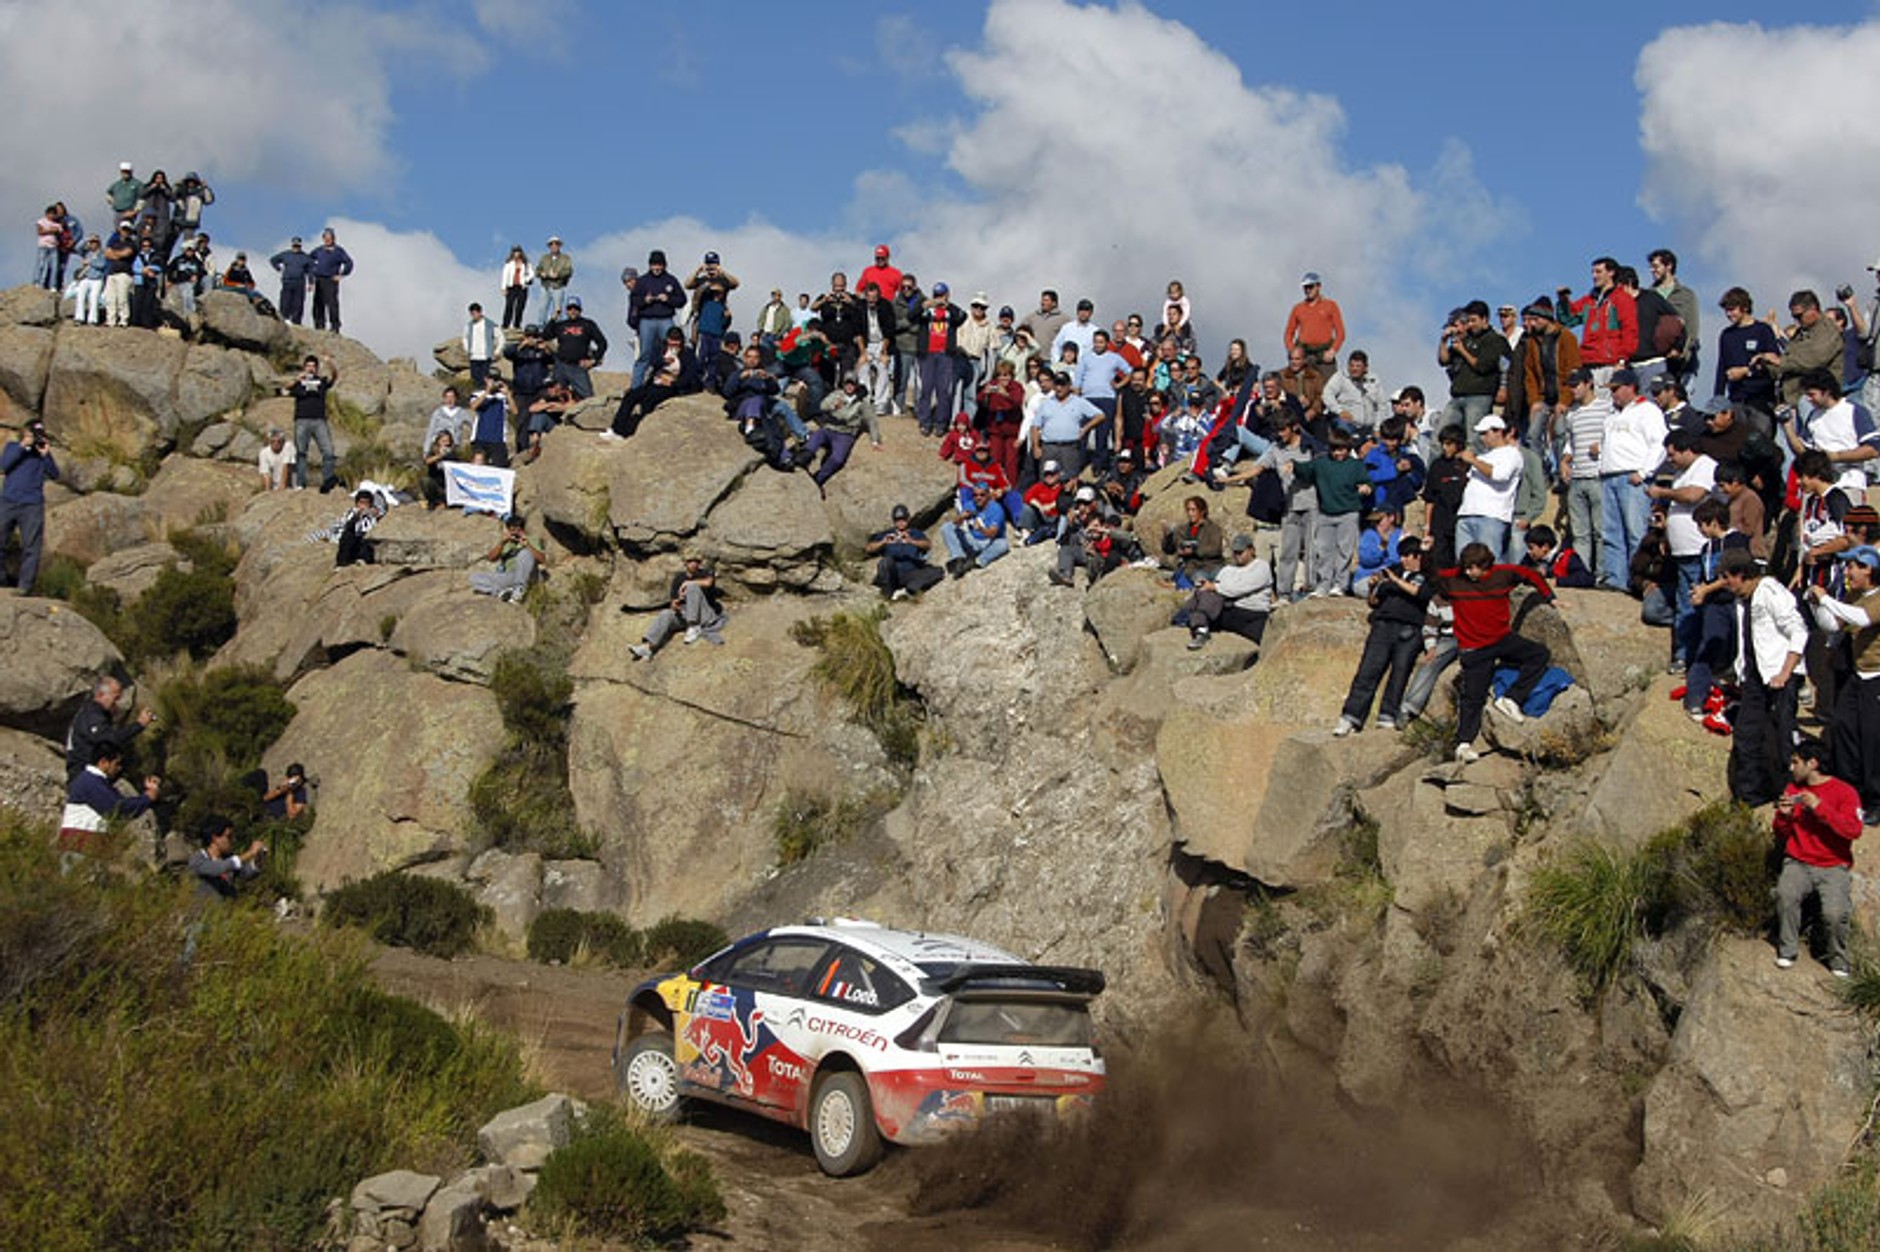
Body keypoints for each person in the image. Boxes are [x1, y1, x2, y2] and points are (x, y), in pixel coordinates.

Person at [1428, 542, 1555, 764]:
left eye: (1473, 568)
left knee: (1539, 654)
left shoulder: (1502, 575)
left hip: (1501, 639)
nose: (1469, 572)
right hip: (1473, 648)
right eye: (1466, 567)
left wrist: (1549, 596)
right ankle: (1463, 744)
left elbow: (1529, 574)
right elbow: (1431, 573)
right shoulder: (1455, 578)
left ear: (1486, 565)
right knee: (1472, 698)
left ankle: (1511, 698)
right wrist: (1427, 551)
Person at [1721, 549, 1808, 806]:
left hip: (1780, 676)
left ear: (1741, 575)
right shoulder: (1743, 601)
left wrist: (1785, 672)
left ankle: (1790, 792)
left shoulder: (1771, 592)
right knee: (1747, 735)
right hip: (1755, 678)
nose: (1726, 583)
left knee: (1784, 736)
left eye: (1727, 577)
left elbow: (1798, 630)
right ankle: (1751, 796)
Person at [1771, 737, 1862, 977]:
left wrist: (1821, 808)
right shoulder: (1792, 790)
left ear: (1812, 763)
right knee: (1785, 894)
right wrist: (1784, 816)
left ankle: (1838, 960)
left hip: (1833, 865)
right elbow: (1781, 832)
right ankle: (1787, 949)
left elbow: (1853, 830)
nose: (1792, 768)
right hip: (1798, 860)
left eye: (1796, 762)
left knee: (1835, 913)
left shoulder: (1845, 792)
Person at [1807, 546, 1880, 822]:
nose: (1848, 572)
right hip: (1858, 674)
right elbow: (1835, 625)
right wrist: (1816, 604)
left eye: (1853, 567)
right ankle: (1851, 791)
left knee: (1872, 737)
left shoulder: (1876, 599)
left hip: (1877, 676)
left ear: (1868, 570)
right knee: (1843, 726)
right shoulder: (1854, 596)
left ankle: (1875, 800)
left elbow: (1861, 619)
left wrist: (1826, 599)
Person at [1334, 536, 1431, 734]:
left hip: (1410, 629)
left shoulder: (1429, 575)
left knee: (1399, 673)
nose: (1404, 560)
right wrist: (1373, 586)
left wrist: (1395, 581)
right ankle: (1351, 716)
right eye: (1402, 555)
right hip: (1383, 625)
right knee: (1368, 671)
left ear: (1418, 556)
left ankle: (1387, 715)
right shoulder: (1393, 570)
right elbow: (1374, 602)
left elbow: (1420, 594)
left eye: (1408, 556)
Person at [1598, 369, 1667, 589]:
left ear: (1630, 387)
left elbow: (1659, 443)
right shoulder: (1611, 415)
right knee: (1611, 532)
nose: (1613, 395)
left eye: (1616, 389)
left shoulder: (1647, 411)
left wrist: (1645, 472)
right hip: (1609, 476)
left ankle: (1637, 579)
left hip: (1632, 477)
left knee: (1636, 531)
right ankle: (1616, 578)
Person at [58, 743, 160, 857]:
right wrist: (146, 798)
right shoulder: (91, 783)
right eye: (116, 764)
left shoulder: (96, 782)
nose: (119, 768)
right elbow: (116, 809)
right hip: (80, 848)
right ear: (103, 762)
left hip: (87, 847)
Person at [1181, 532, 1274, 650]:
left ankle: (1191, 620)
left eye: (1240, 552)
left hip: (1253, 614)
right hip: (1231, 611)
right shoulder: (1228, 569)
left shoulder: (1261, 567)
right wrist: (1208, 586)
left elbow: (1240, 588)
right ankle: (1200, 629)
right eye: (1235, 552)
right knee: (1203, 593)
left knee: (1211, 592)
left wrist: (1215, 587)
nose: (1237, 556)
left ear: (1251, 550)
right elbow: (1220, 586)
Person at [607, 326, 698, 439]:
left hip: (671, 386)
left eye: (677, 341)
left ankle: (636, 431)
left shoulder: (687, 354)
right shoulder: (661, 348)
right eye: (671, 341)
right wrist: (663, 361)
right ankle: (617, 429)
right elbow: (652, 361)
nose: (674, 345)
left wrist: (674, 383)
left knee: (649, 400)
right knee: (631, 396)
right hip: (655, 382)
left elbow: (690, 374)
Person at [1, 419, 58, 595]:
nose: (36, 438)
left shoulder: (41, 454)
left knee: (31, 547)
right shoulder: (13, 447)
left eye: (38, 435)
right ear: (25, 433)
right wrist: (23, 445)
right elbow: (3, 466)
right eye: (33, 434)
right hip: (8, 501)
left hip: (32, 505)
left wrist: (46, 454)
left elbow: (54, 474)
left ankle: (24, 587)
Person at [629, 554, 726, 657]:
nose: (693, 564)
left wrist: (688, 584)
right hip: (685, 614)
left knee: (692, 587)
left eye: (696, 561)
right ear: (685, 563)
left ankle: (694, 626)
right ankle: (647, 648)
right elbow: (673, 602)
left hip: (705, 614)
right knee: (665, 614)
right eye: (690, 561)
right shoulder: (678, 578)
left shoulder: (704, 574)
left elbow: (708, 582)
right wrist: (676, 604)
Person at [1454, 415, 1523, 557]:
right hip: (1467, 513)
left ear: (1498, 432)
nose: (1482, 438)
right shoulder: (1483, 456)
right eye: (1481, 434)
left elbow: (1499, 475)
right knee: (1463, 561)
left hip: (1491, 515)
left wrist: (1473, 460)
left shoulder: (1512, 454)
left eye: (1485, 433)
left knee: (1489, 561)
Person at [1437, 301, 1509, 433]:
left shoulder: (1494, 339)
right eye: (1468, 321)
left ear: (1484, 319)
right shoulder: (1466, 339)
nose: (1470, 325)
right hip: (1457, 395)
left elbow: (1483, 366)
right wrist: (1443, 341)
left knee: (1474, 437)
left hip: (1479, 396)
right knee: (1442, 434)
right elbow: (1444, 361)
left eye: (1473, 320)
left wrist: (1463, 351)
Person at [64, 676, 154, 781]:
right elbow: (109, 738)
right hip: (83, 776)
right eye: (115, 698)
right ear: (100, 695)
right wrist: (139, 725)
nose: (116, 704)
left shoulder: (96, 715)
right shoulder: (91, 715)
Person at [279, 354, 340, 492]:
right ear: (304, 367)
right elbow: (285, 388)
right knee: (301, 453)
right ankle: (301, 483)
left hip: (319, 420)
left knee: (328, 452)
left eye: (313, 366)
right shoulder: (299, 383)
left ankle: (328, 481)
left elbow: (334, 377)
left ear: (317, 369)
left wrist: (330, 363)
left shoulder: (321, 381)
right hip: (302, 420)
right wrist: (297, 379)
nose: (311, 369)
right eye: (308, 366)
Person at [628, 250, 687, 389]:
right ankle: (635, 387)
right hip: (646, 321)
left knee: (674, 351)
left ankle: (676, 383)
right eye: (654, 265)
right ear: (649, 265)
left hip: (666, 320)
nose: (657, 268)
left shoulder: (671, 280)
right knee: (645, 355)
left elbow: (682, 300)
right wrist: (645, 300)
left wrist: (669, 299)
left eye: (659, 265)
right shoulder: (642, 281)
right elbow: (633, 299)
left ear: (665, 265)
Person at [867, 504, 943, 600]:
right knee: (885, 562)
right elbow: (869, 548)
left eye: (903, 519)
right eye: (898, 520)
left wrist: (911, 541)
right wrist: (883, 542)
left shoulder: (915, 533)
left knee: (937, 571)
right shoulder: (887, 534)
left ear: (908, 519)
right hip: (893, 573)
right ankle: (888, 592)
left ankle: (909, 590)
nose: (901, 523)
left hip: (911, 572)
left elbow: (928, 545)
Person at [189, 814, 266, 903]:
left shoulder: (227, 858)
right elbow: (219, 868)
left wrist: (259, 858)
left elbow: (245, 873)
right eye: (228, 836)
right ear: (215, 838)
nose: (232, 840)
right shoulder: (197, 860)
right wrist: (250, 853)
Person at [941, 482, 1011, 577]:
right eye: (975, 495)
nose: (978, 498)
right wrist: (961, 517)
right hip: (972, 540)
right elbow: (956, 524)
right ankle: (959, 559)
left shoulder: (996, 509)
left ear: (988, 495)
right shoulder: (970, 505)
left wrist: (981, 529)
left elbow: (992, 533)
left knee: (1003, 545)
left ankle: (977, 561)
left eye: (982, 495)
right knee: (947, 527)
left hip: (989, 542)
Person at [470, 513, 543, 602]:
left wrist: (527, 545)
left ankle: (519, 590)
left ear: (522, 529)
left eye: (518, 530)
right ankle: (501, 593)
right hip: (511, 576)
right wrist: (502, 543)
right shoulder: (506, 544)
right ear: (508, 530)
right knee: (474, 577)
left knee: (524, 554)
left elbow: (542, 559)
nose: (515, 534)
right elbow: (491, 558)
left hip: (529, 574)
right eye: (512, 530)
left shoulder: (532, 539)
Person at [1283, 271, 1345, 376]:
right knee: (1294, 384)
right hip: (1304, 354)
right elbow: (1288, 333)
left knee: (1331, 386)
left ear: (1318, 286)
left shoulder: (1331, 305)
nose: (1308, 290)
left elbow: (1341, 333)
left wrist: (1333, 351)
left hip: (1324, 354)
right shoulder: (1298, 308)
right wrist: (1293, 351)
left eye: (1310, 286)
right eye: (1305, 287)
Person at [544, 296, 607, 398]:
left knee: (588, 398)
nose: (572, 311)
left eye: (575, 308)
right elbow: (545, 335)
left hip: (578, 367)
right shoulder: (561, 325)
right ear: (566, 311)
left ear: (580, 310)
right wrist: (553, 319)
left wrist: (594, 360)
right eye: (569, 308)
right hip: (561, 366)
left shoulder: (588, 324)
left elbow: (602, 343)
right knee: (554, 396)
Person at [684, 251, 739, 365]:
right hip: (701, 319)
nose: (710, 267)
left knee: (715, 353)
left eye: (713, 264)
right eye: (708, 264)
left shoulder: (723, 280)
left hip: (718, 319)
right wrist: (698, 271)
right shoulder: (702, 280)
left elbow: (736, 283)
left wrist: (722, 271)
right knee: (699, 351)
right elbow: (687, 285)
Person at [308, 228, 353, 333]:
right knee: (318, 304)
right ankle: (319, 326)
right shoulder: (318, 250)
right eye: (326, 238)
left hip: (331, 280)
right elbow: (308, 260)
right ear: (323, 238)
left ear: (333, 239)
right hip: (319, 279)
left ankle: (335, 326)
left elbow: (349, 263)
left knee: (332, 304)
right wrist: (311, 277)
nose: (328, 240)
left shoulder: (339, 251)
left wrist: (342, 274)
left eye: (330, 238)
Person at [268, 236, 314, 325]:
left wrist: (311, 283)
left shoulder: (305, 257)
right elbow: (273, 260)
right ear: (292, 245)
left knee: (298, 304)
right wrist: (279, 268)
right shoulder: (286, 254)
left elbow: (310, 271)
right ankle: (284, 320)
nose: (296, 248)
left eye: (298, 246)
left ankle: (296, 322)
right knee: (285, 302)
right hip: (287, 282)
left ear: (300, 246)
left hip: (299, 283)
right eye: (294, 246)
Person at [468, 378, 512, 466]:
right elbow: (473, 406)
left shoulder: (503, 397)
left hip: (498, 439)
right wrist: (487, 391)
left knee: (500, 466)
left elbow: (514, 411)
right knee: (478, 465)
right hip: (480, 437)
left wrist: (508, 395)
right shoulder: (477, 394)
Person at [533, 236, 573, 327]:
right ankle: (541, 327)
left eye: (556, 244)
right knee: (542, 308)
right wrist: (541, 274)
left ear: (559, 246)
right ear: (549, 246)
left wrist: (558, 275)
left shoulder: (565, 258)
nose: (554, 246)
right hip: (545, 286)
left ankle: (558, 328)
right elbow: (537, 271)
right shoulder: (544, 258)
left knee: (557, 309)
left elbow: (569, 271)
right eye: (552, 244)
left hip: (558, 286)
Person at [462, 303, 505, 387]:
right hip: (474, 357)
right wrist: (467, 349)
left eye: (474, 314)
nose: (473, 316)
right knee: (475, 380)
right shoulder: (469, 325)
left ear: (480, 312)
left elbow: (501, 338)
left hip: (486, 358)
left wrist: (497, 351)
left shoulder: (490, 324)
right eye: (471, 314)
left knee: (486, 380)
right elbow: (464, 337)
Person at [335, 489, 380, 567]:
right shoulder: (351, 512)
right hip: (348, 539)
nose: (364, 505)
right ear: (357, 503)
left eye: (366, 503)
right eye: (361, 502)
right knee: (348, 538)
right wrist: (358, 515)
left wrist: (372, 513)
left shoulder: (371, 513)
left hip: (362, 541)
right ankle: (342, 563)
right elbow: (347, 525)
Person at [499, 244, 533, 329]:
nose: (516, 253)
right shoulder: (509, 264)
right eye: (514, 252)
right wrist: (503, 288)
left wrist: (526, 280)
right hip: (511, 287)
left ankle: (517, 324)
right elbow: (505, 276)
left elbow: (531, 274)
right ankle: (505, 324)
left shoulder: (526, 264)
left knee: (520, 306)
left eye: (518, 251)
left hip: (522, 287)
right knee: (509, 305)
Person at [256, 426, 294, 492]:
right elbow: (265, 473)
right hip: (275, 485)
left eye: (279, 441)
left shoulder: (288, 446)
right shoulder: (264, 453)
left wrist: (282, 485)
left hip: (291, 484)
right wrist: (267, 490)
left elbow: (286, 465)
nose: (276, 444)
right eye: (273, 441)